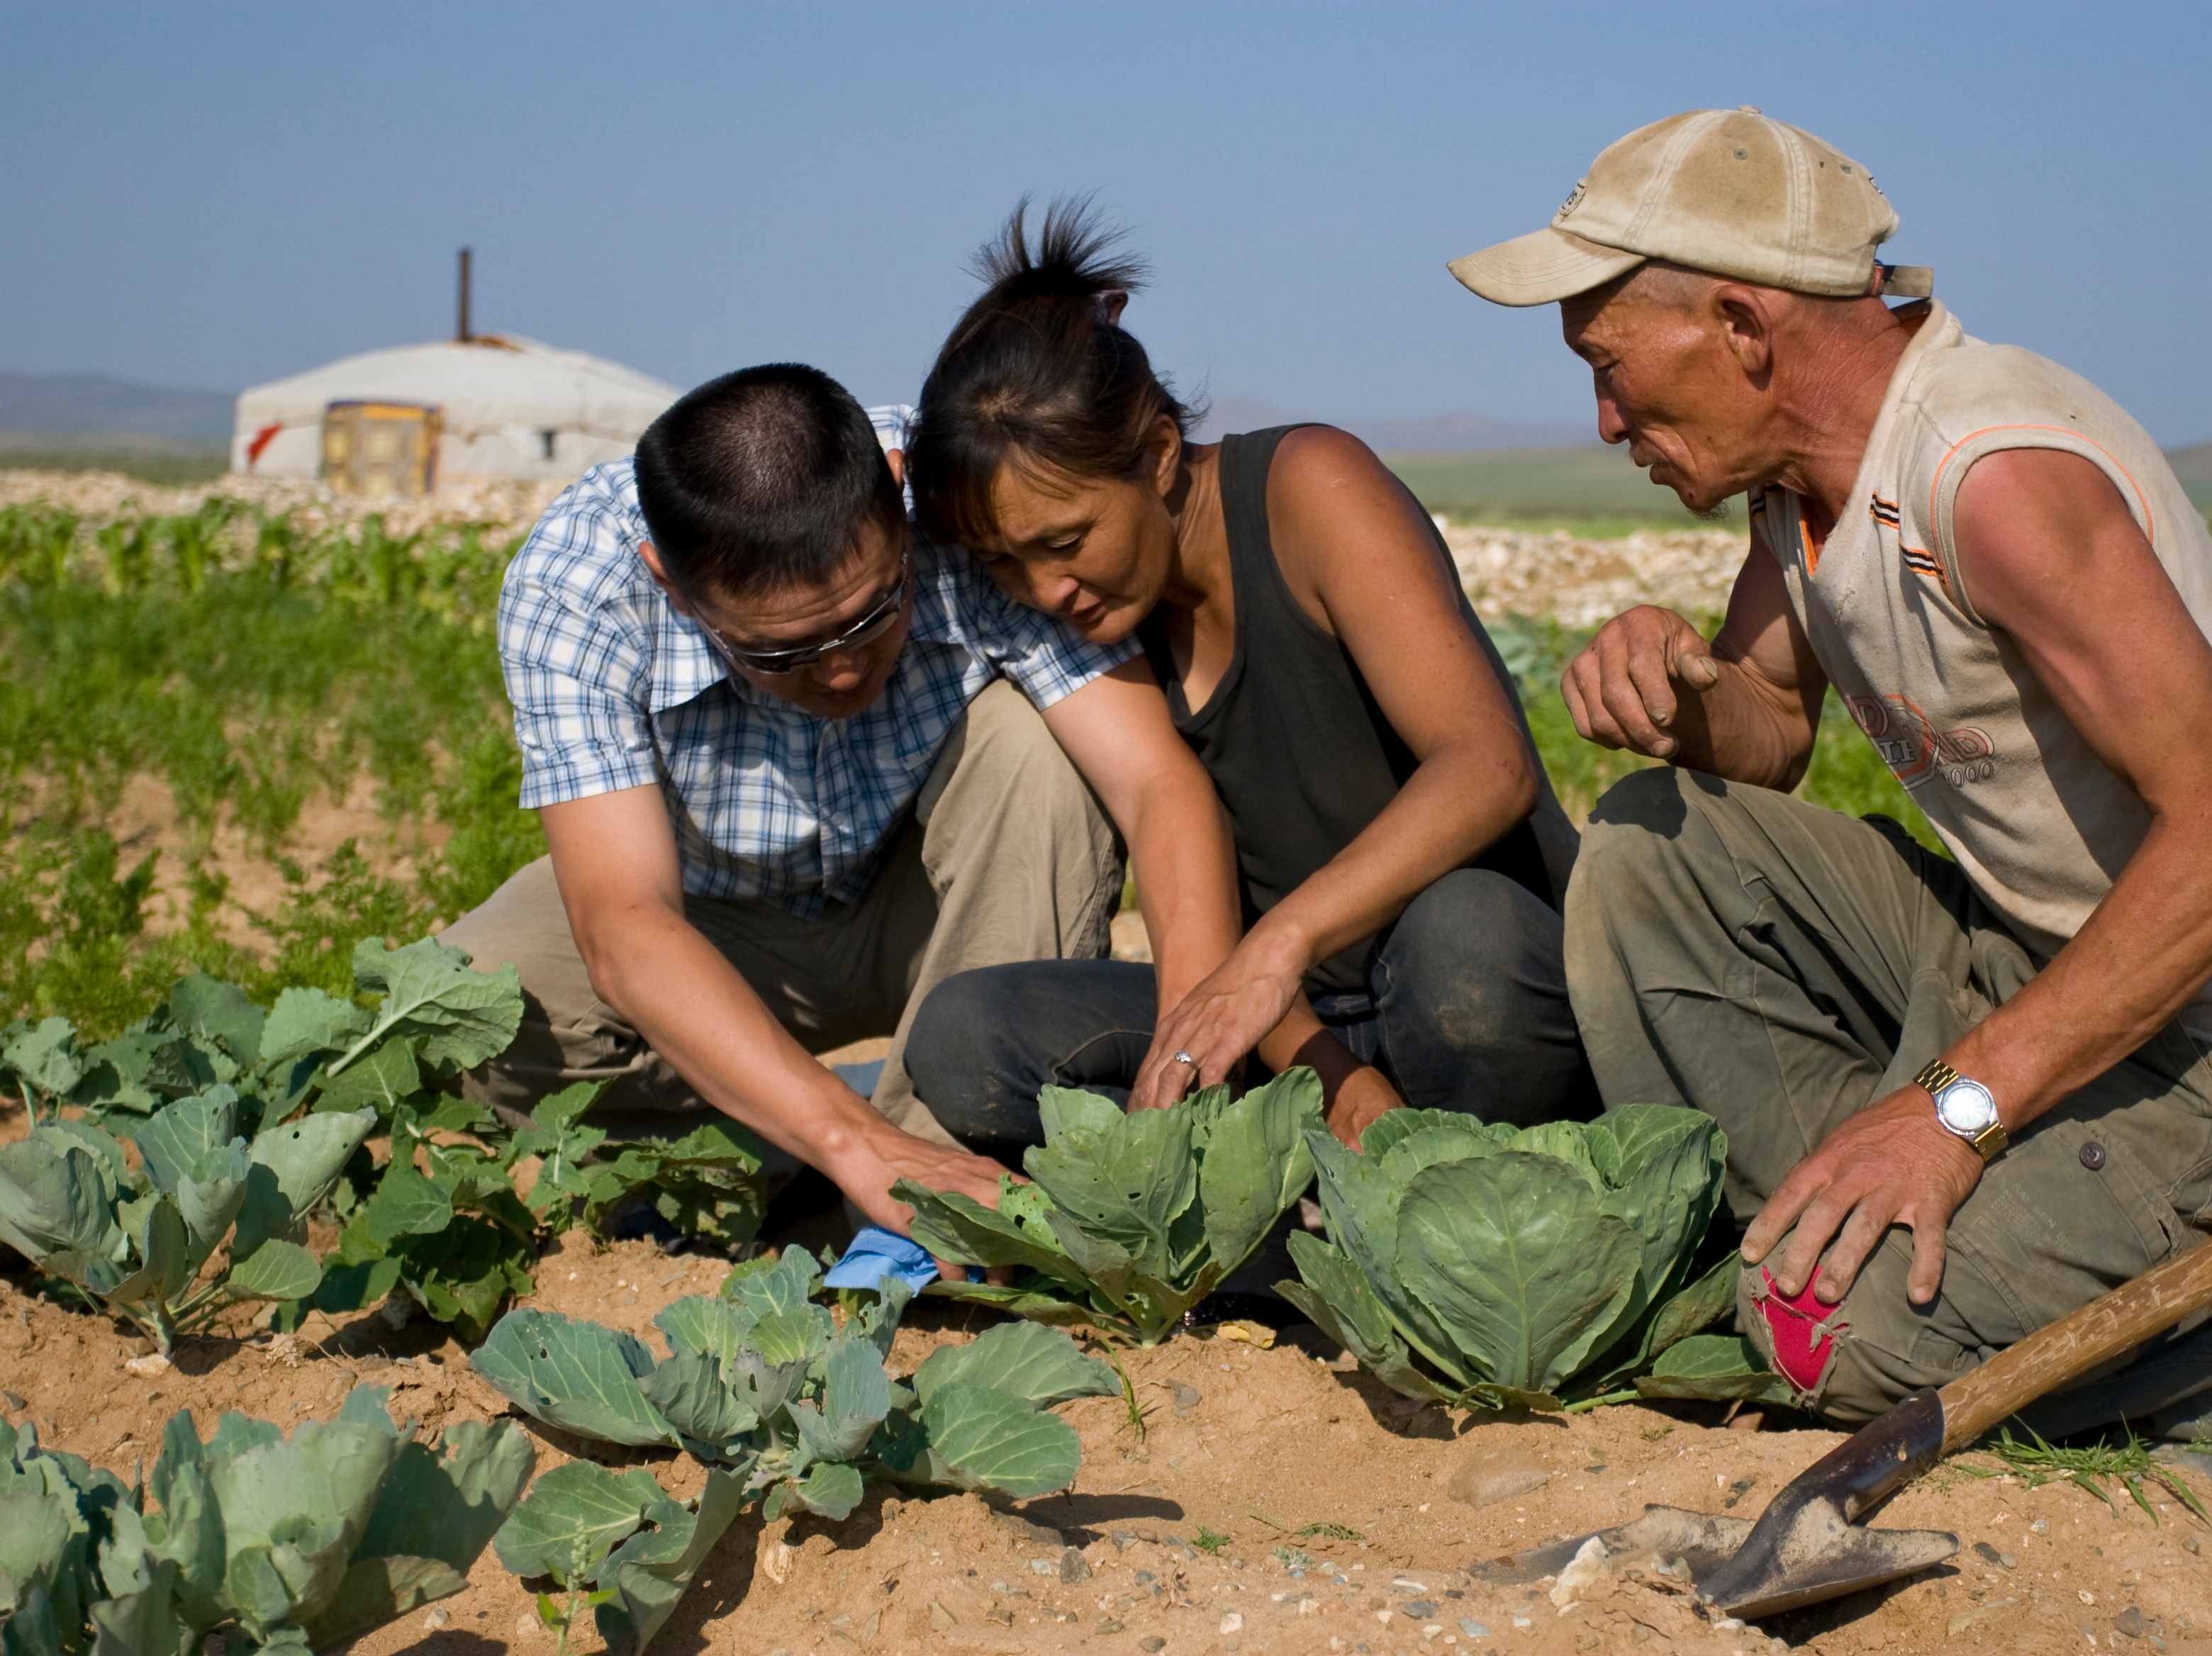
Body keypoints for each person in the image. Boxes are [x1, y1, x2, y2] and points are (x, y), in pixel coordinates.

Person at [1449, 108, 2212, 1467]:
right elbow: (1769, 727)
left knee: (1815, 1339)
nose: (1602, 423)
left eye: (1606, 368)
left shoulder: (1983, 474)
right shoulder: (1800, 480)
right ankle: (1860, 1213)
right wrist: (1684, 688)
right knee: (1651, 844)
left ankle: (2191, 1350)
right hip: (2007, 964)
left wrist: (1955, 1110)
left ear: (1739, 326)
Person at [440, 364, 1236, 1242]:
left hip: (943, 913)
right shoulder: (577, 588)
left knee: (1039, 744)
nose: (844, 669)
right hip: (719, 928)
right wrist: (849, 1140)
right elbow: (625, 924)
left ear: (897, 500)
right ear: (669, 582)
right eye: (782, 652)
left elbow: (1156, 785)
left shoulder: (967, 497)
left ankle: (960, 1173)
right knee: (479, 996)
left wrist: (1191, 1061)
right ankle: (809, 1160)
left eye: (872, 614)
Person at [898, 203, 1595, 1161]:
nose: (1045, 591)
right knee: (971, 1037)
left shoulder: (1309, 486)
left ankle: (1478, 1197)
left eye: (1065, 542)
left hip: (1477, 1003)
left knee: (1462, 938)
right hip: (1292, 1032)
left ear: (1158, 453)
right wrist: (1326, 1074)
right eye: (1006, 565)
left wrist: (1279, 950)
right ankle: (1302, 1224)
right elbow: (1204, 928)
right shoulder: (1105, 619)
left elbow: (1488, 767)